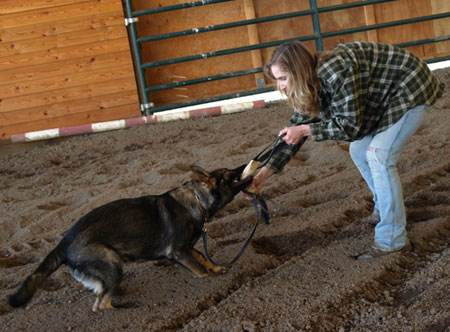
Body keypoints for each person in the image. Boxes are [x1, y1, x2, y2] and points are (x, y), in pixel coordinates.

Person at [247, 41, 444, 259]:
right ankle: (385, 209)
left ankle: (392, 239)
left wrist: (304, 130)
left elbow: (350, 126)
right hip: (383, 98)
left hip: (410, 89)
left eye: (283, 78)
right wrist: (263, 175)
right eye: (278, 80)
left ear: (298, 71)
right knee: (359, 151)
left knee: (378, 155)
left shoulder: (335, 71)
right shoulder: (309, 84)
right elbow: (294, 132)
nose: (281, 86)